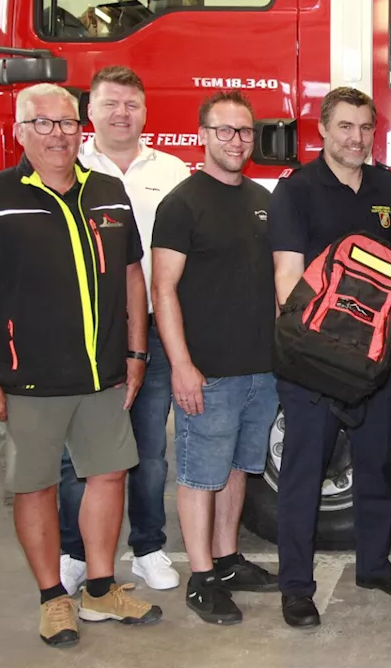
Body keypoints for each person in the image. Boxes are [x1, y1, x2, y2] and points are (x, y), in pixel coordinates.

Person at [0, 83, 162, 648]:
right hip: (25, 382)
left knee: (109, 476)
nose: (57, 134)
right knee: (35, 488)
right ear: (20, 131)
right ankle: (52, 599)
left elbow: (134, 279)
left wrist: (136, 355)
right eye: (42, 124)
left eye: (66, 123)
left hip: (101, 378)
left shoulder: (108, 193)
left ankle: (100, 588)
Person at [268, 87, 391, 629]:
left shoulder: (385, 185)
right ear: (323, 130)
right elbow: (287, 279)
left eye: (364, 128)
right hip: (314, 362)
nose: (356, 138)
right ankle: (295, 588)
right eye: (345, 128)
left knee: (377, 465)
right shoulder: (297, 190)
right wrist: (326, 350)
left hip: (376, 362)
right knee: (302, 475)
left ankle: (375, 566)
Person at [58, 65, 191, 595]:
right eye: (110, 103)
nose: (121, 113)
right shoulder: (69, 165)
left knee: (148, 448)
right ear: (89, 112)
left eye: (131, 104)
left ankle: (149, 547)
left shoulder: (174, 170)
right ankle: (74, 552)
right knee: (78, 454)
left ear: (145, 113)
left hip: (154, 329)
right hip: (85, 329)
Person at [151, 90, 280, 626]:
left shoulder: (262, 199)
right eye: (224, 131)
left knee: (237, 471)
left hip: (259, 370)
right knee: (201, 474)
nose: (236, 141)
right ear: (203, 134)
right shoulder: (181, 204)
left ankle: (227, 560)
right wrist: (182, 364)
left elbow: (274, 284)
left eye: (245, 131)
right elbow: (163, 289)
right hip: (208, 372)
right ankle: (201, 577)